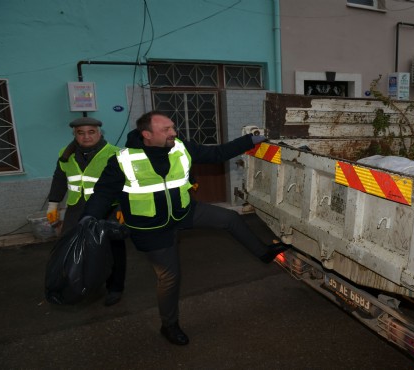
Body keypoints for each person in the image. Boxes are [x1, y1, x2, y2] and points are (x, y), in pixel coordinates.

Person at [81, 111, 289, 346]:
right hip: (151, 227)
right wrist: (89, 217)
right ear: (147, 134)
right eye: (166, 129)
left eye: (173, 127)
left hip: (183, 211)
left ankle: (263, 254)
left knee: (230, 219)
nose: (174, 132)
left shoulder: (180, 147)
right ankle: (169, 325)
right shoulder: (124, 160)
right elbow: (103, 193)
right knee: (170, 277)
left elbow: (216, 153)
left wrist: (249, 141)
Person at [46, 117, 127, 306]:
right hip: (76, 210)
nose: (86, 136)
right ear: (75, 135)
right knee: (77, 249)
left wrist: (123, 207)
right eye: (80, 133)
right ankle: (86, 286)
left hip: (108, 209)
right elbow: (59, 179)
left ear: (100, 133)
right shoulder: (66, 154)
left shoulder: (116, 154)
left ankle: (115, 288)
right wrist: (53, 204)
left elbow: (128, 183)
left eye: (91, 132)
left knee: (113, 250)